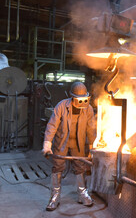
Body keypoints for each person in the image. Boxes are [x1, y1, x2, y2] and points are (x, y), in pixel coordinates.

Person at [42, 81, 96, 211]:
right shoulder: (61, 106)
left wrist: (92, 147)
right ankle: (55, 197)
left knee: (80, 166)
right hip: (62, 142)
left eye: (84, 99)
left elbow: (91, 129)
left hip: (78, 143)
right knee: (58, 167)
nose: (82, 102)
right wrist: (47, 144)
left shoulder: (88, 108)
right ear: (72, 97)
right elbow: (52, 126)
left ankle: (82, 194)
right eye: (79, 99)